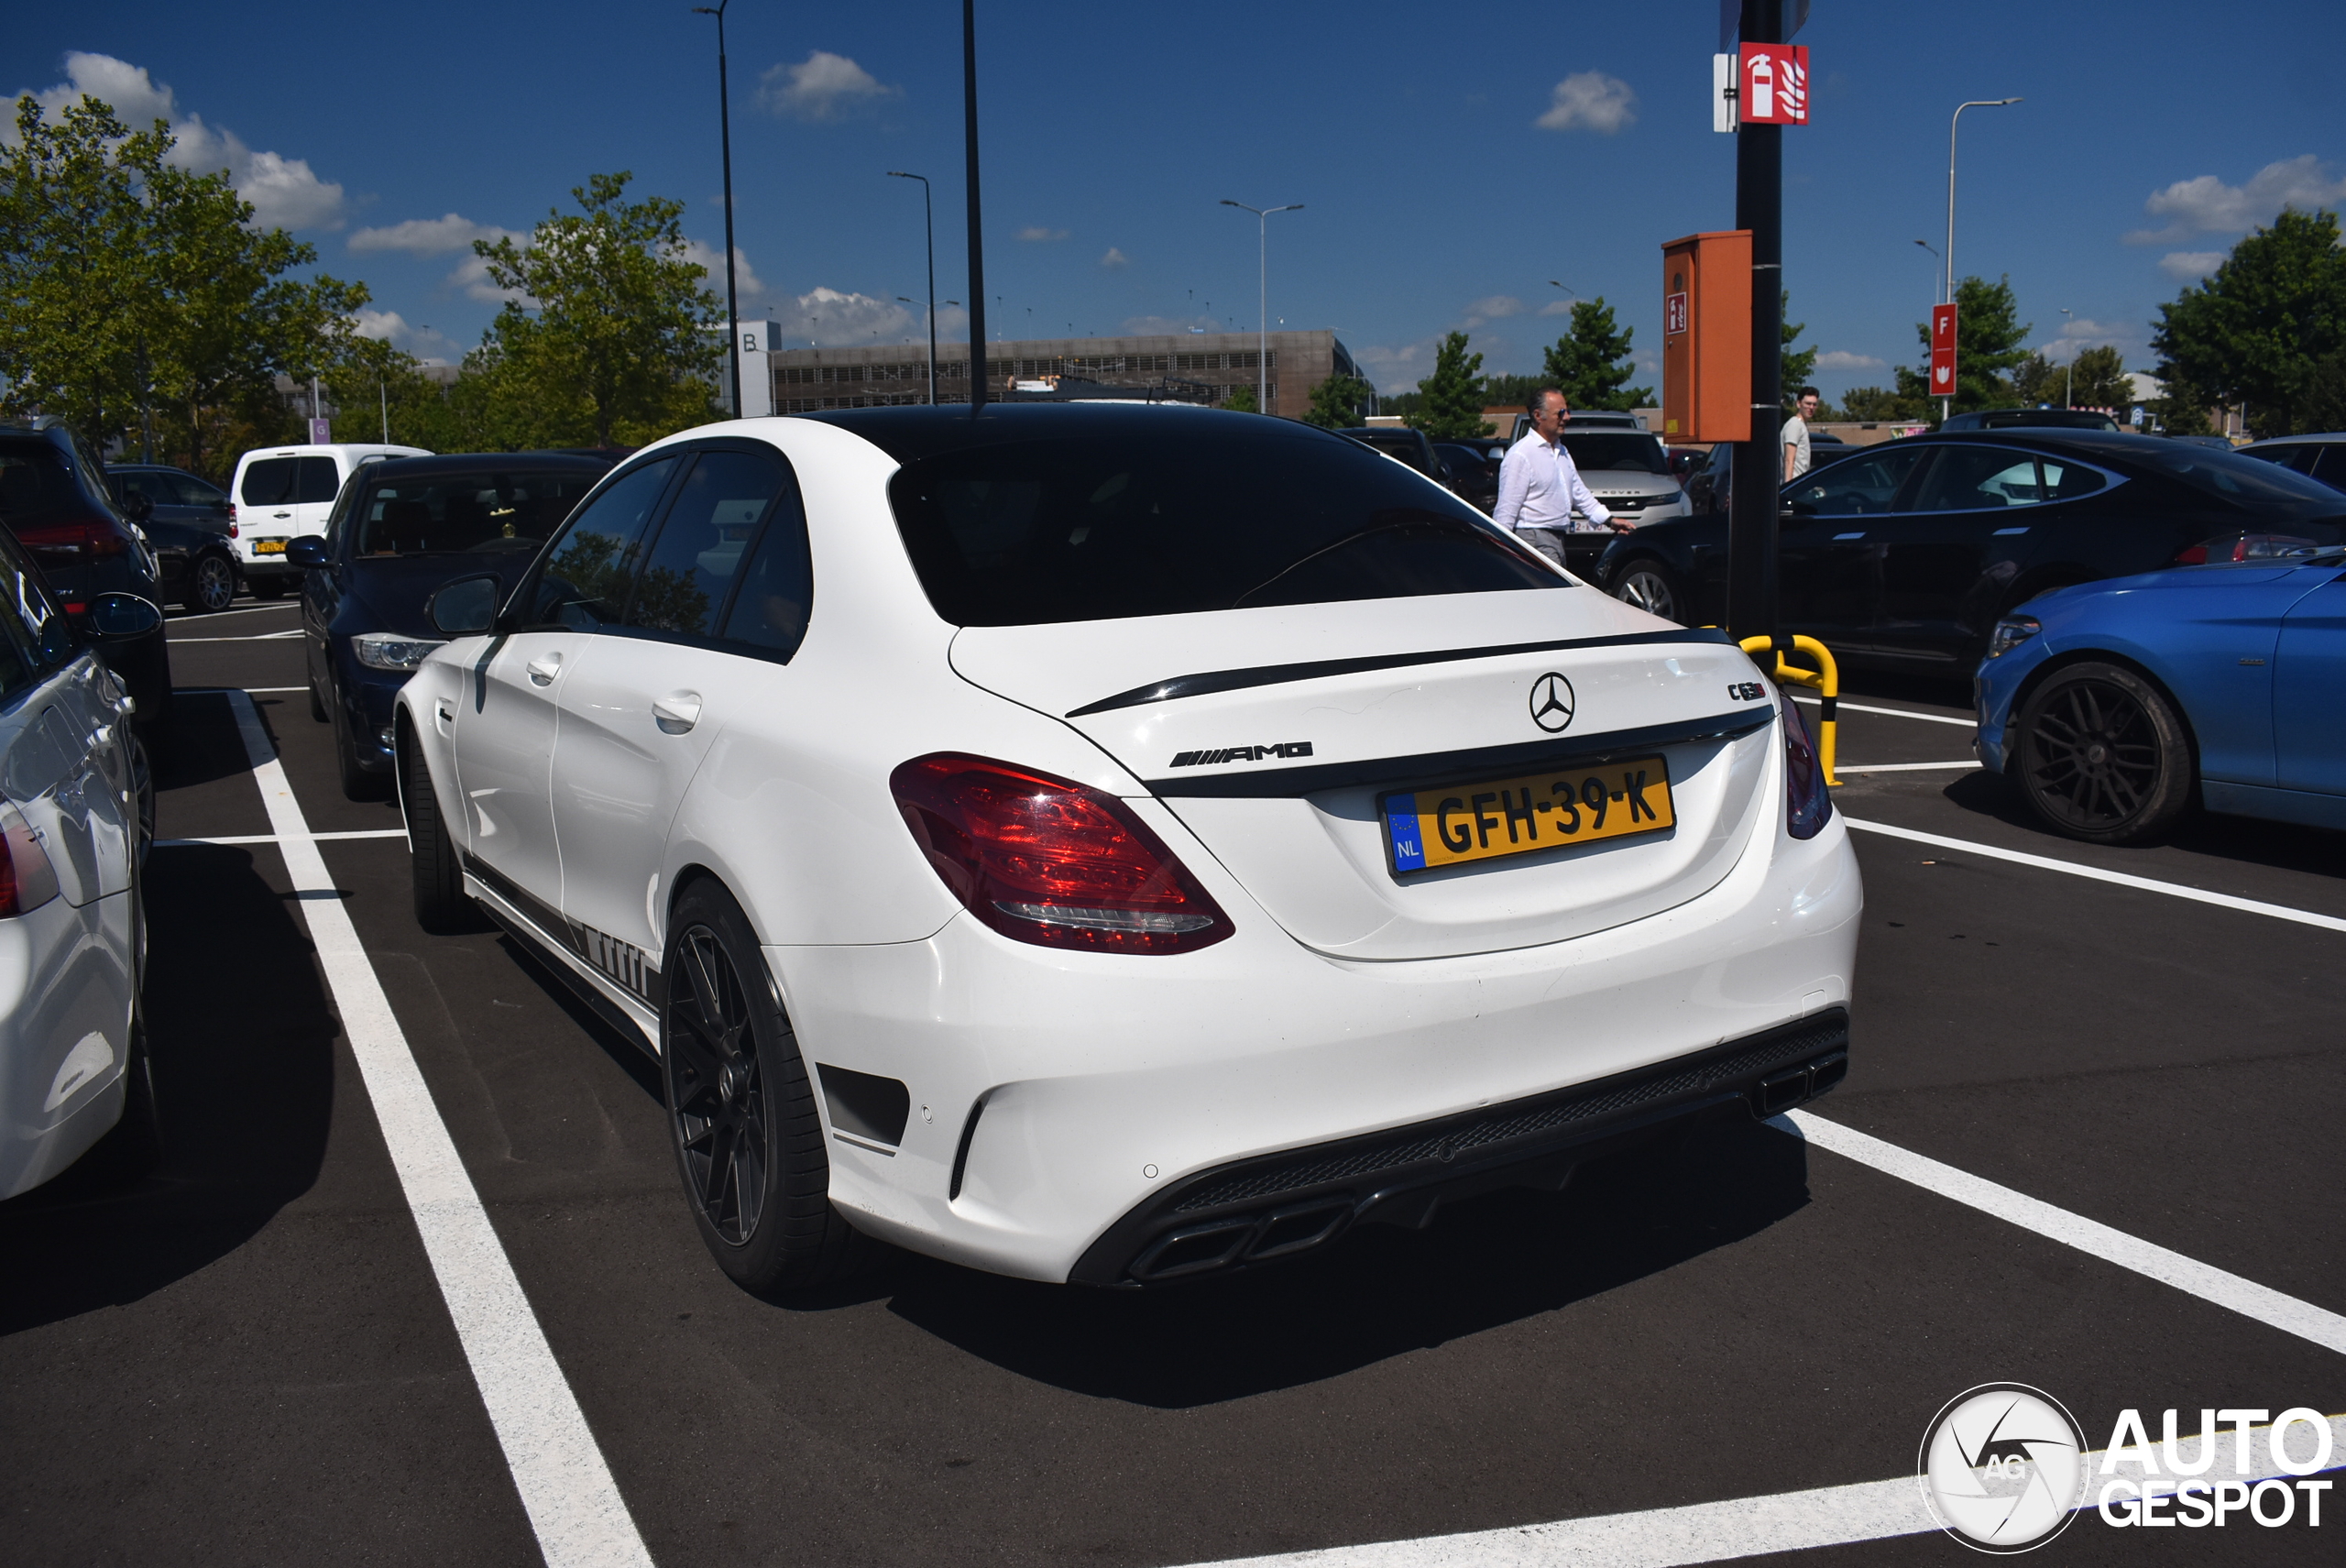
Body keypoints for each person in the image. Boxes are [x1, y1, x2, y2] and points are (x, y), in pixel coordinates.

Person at [1493, 388, 1627, 566]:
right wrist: (1499, 551)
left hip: (1556, 539)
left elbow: (1579, 493)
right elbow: (1507, 509)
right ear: (1538, 416)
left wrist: (1610, 521)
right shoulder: (1521, 455)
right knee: (1551, 593)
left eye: (1567, 412)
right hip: (1533, 540)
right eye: (1560, 413)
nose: (1567, 418)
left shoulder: (1561, 451)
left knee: (1555, 593)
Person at [1782, 387, 1823, 481]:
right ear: (1798, 404)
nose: (1811, 407)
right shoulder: (1794, 425)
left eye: (1814, 404)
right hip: (1794, 484)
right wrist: (1788, 487)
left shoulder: (1801, 426)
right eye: (1808, 404)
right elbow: (1789, 460)